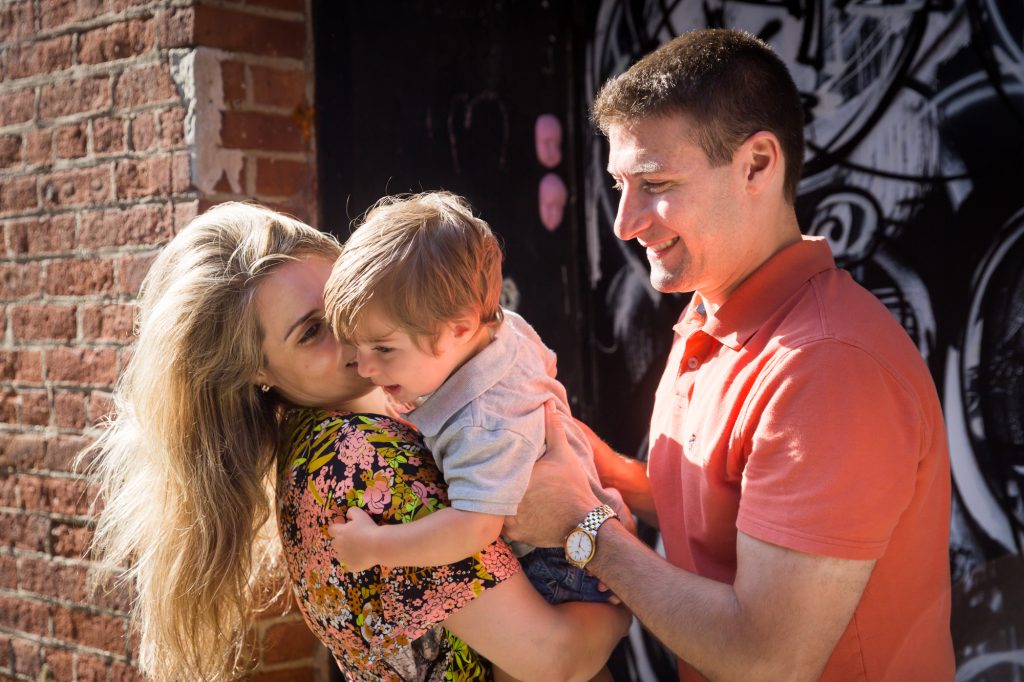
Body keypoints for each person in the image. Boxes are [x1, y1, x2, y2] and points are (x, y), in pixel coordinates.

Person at [503, 28, 955, 682]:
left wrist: (584, 529)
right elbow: (716, 507)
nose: (625, 222)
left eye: (655, 182)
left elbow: (767, 659)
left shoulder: (827, 365)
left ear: (758, 165)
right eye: (620, 184)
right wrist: (581, 458)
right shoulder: (713, 312)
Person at [82, 202, 629, 681]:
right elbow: (554, 660)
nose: (349, 334)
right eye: (311, 331)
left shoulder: (407, 409)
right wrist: (628, 591)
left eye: (344, 303)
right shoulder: (353, 461)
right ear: (257, 372)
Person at [324, 191, 630, 610]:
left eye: (384, 349)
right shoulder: (506, 328)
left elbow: (473, 528)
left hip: (558, 564)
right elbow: (547, 366)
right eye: (356, 347)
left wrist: (375, 546)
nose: (364, 367)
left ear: (460, 328)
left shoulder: (482, 424)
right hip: (594, 517)